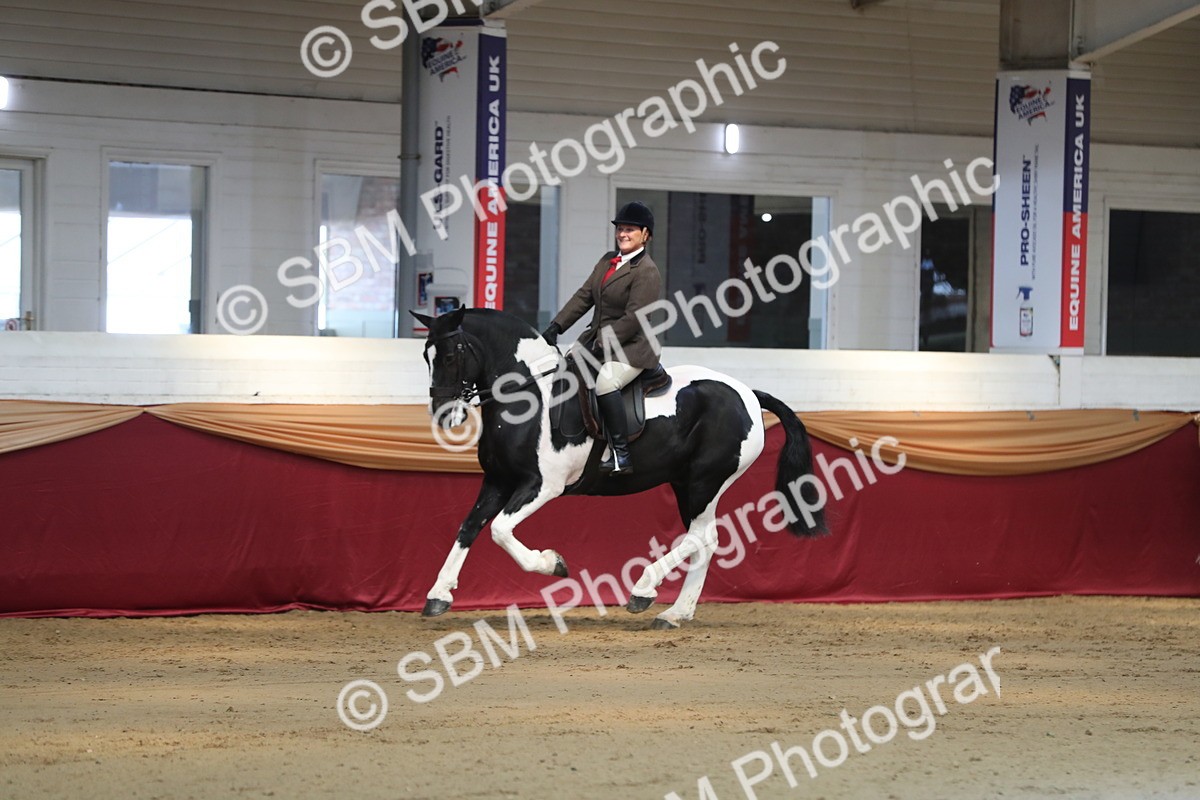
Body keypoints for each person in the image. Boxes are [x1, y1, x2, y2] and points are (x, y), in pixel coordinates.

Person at [541, 201, 663, 474]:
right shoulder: (607, 261)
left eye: (629, 229)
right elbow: (584, 296)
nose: (622, 234)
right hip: (596, 340)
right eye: (620, 229)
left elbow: (633, 319)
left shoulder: (647, 271)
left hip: (632, 348)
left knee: (607, 383)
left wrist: (600, 344)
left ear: (645, 235)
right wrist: (557, 326)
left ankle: (621, 454)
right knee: (563, 371)